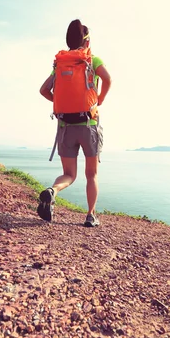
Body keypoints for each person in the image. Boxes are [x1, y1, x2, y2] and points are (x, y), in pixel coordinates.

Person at [38, 19, 112, 227]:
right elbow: (108, 79)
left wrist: (61, 104)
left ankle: (53, 191)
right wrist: (99, 100)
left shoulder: (60, 64)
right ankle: (90, 215)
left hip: (65, 126)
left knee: (69, 174)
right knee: (91, 175)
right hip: (89, 124)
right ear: (87, 42)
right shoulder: (92, 60)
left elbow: (44, 90)